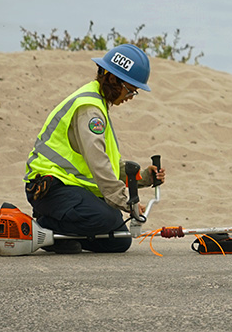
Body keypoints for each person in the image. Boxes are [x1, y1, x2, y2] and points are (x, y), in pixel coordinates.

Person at [24, 43, 165, 253]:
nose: (129, 98)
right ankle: (42, 228)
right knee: (106, 218)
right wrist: (127, 203)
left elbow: (108, 166)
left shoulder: (99, 106)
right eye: (130, 90)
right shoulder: (89, 110)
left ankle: (60, 239)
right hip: (49, 188)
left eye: (134, 92)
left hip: (71, 189)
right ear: (111, 79)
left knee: (119, 239)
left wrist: (144, 177)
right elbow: (99, 164)